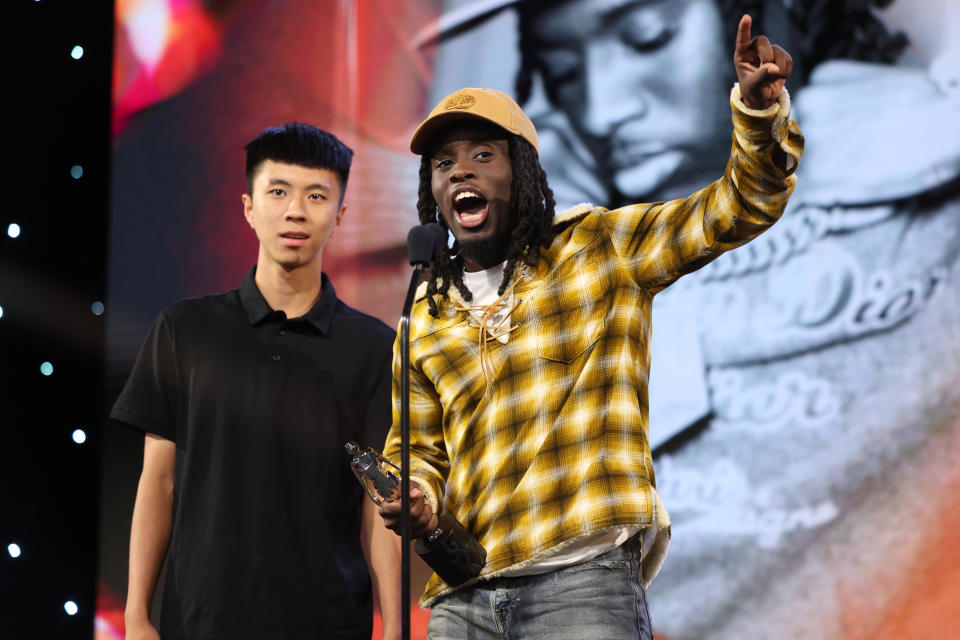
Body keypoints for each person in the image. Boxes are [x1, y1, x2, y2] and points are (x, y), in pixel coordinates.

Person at [377, 15, 803, 638]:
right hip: (462, 599)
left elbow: (738, 206)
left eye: (482, 156)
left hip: (579, 583)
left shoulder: (600, 248)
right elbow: (416, 449)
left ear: (521, 173)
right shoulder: (427, 314)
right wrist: (412, 491)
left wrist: (758, 115)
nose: (459, 172)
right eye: (443, 164)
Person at [112, 123, 402, 640]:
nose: (296, 211)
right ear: (248, 206)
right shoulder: (184, 330)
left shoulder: (374, 347)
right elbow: (158, 481)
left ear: (339, 216)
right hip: (203, 620)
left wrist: (397, 628)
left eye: (316, 196)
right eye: (278, 192)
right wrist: (137, 616)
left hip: (327, 622)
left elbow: (379, 503)